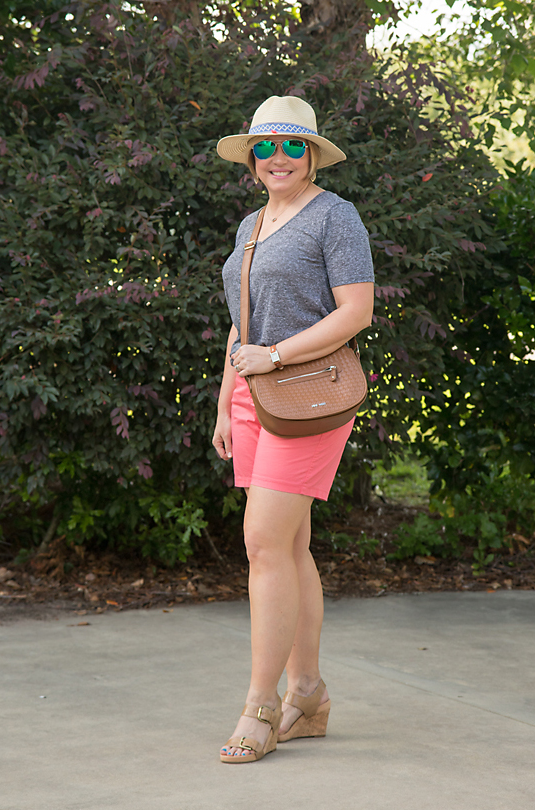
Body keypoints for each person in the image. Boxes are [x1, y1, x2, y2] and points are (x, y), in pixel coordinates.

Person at [212, 95, 374, 763]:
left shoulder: (336, 216)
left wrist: (275, 357)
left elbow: (356, 312)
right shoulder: (251, 224)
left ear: (311, 155)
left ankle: (261, 706)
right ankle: (307, 694)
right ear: (252, 158)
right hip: (253, 397)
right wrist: (225, 401)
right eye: (265, 147)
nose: (278, 157)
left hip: (308, 396)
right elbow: (241, 320)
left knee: (263, 544)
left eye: (291, 146)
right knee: (290, 546)